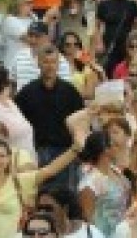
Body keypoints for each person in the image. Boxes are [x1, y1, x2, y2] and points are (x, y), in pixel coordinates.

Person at [0, 122, 86, 237]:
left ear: (9, 158)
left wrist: (75, 149)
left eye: (1, 156)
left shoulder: (20, 181)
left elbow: (50, 170)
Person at [15, 45, 85, 189]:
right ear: (38, 63)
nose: (50, 66)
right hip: (36, 152)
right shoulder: (26, 93)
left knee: (65, 197)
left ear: (59, 64)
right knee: (37, 196)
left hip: (65, 153)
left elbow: (82, 122)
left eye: (53, 62)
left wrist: (78, 151)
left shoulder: (70, 92)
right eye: (46, 62)